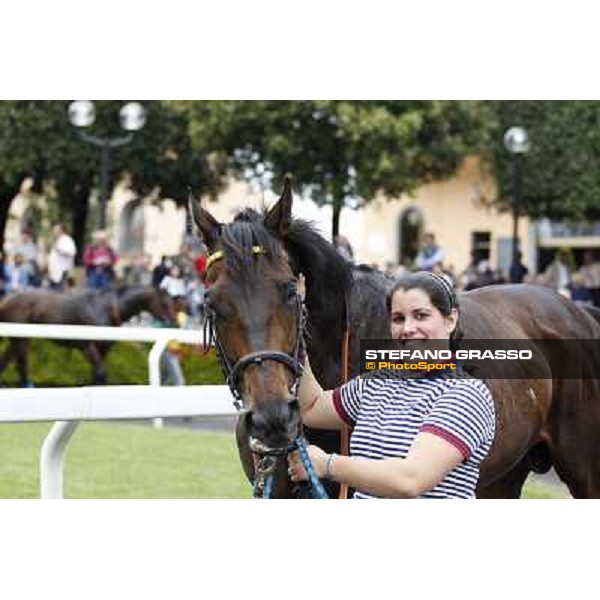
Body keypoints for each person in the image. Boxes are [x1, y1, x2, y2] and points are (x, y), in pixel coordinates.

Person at [289, 271, 496, 499]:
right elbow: (311, 407)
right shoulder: (375, 384)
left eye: (421, 316)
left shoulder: (466, 395)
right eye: (398, 319)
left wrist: (327, 464)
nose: (407, 328)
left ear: (450, 320)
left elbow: (410, 480)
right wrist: (295, 322)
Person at [47, 223, 77, 290]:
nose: (54, 231)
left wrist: (59, 250)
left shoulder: (67, 240)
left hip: (63, 273)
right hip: (54, 274)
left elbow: (72, 253)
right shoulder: (56, 241)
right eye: (53, 229)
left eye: (56, 229)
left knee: (61, 295)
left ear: (62, 230)